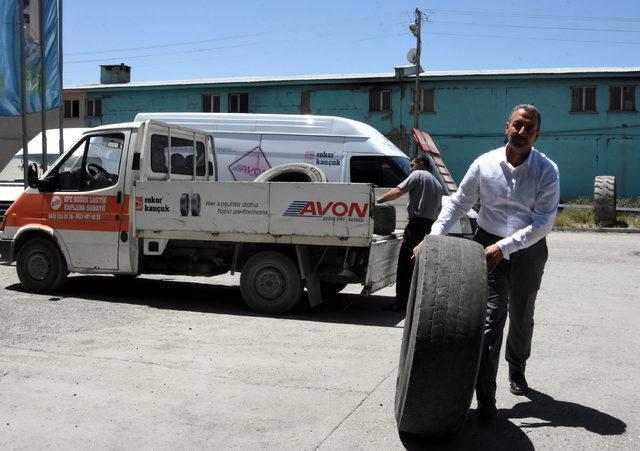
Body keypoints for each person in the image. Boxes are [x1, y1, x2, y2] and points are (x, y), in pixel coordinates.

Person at [421, 104, 560, 419]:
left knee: (522, 315)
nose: (522, 132)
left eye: (529, 128)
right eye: (518, 126)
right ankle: (485, 398)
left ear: (537, 134)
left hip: (529, 249)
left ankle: (517, 367)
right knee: (490, 319)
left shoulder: (546, 170)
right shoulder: (485, 163)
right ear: (507, 126)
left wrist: (505, 247)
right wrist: (434, 236)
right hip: (485, 245)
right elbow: (459, 201)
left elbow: (543, 223)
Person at [376, 153, 444, 312]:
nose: (411, 169)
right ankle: (414, 302)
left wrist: (378, 200)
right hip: (430, 227)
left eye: (412, 165)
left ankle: (400, 303)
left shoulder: (418, 175)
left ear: (421, 164)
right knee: (418, 266)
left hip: (416, 226)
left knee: (404, 265)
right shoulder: (437, 183)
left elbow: (398, 191)